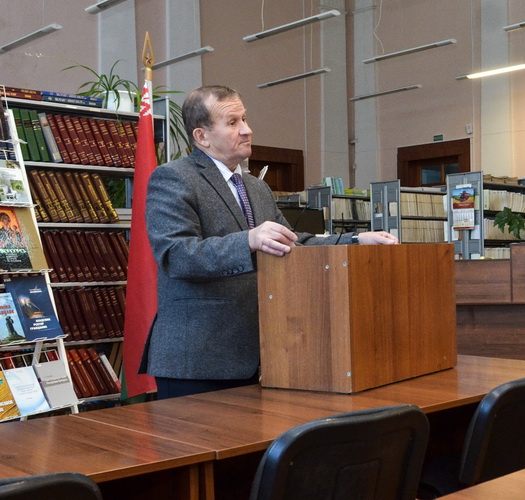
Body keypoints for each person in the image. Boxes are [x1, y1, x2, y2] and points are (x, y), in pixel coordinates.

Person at [140, 85, 399, 400]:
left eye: (244, 119)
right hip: (197, 359)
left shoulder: (256, 188)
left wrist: (357, 240)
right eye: (232, 122)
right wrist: (248, 240)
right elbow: (177, 255)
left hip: (259, 354)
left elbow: (293, 244)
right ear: (202, 136)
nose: (247, 130)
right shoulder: (173, 178)